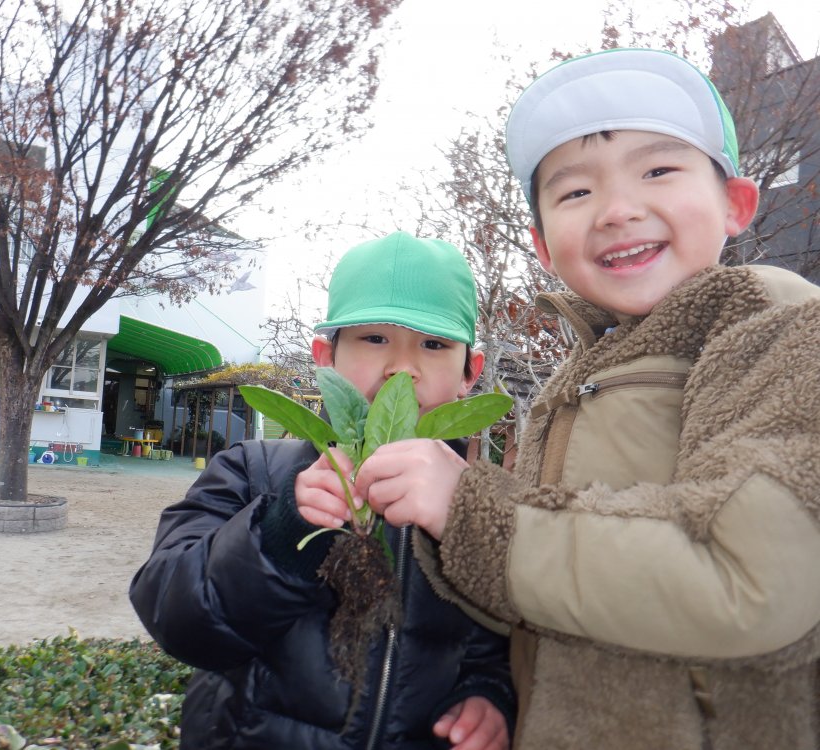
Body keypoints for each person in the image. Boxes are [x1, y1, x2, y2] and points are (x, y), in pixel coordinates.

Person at [309, 49, 820, 749]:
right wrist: (488, 689)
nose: (617, 210)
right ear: (544, 246)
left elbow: (752, 585)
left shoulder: (776, 322)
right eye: (575, 192)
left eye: (658, 170)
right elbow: (533, 596)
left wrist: (468, 508)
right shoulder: (570, 383)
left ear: (736, 203)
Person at [130, 231, 516, 750]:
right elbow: (177, 619)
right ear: (325, 357)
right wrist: (281, 531)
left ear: (471, 371)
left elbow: (503, 636)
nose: (402, 368)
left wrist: (489, 693)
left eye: (434, 344)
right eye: (374, 339)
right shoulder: (251, 471)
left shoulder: (482, 501)